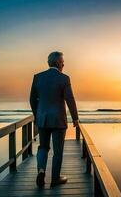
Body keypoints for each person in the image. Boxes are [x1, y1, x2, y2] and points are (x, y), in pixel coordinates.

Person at [29, 51, 79, 187]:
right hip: (58, 120)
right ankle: (55, 179)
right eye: (62, 61)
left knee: (43, 147)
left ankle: (41, 171)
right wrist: (75, 118)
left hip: (42, 119)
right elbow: (70, 99)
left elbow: (32, 99)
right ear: (58, 63)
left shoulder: (37, 77)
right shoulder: (64, 78)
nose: (64, 64)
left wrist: (37, 115)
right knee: (58, 151)